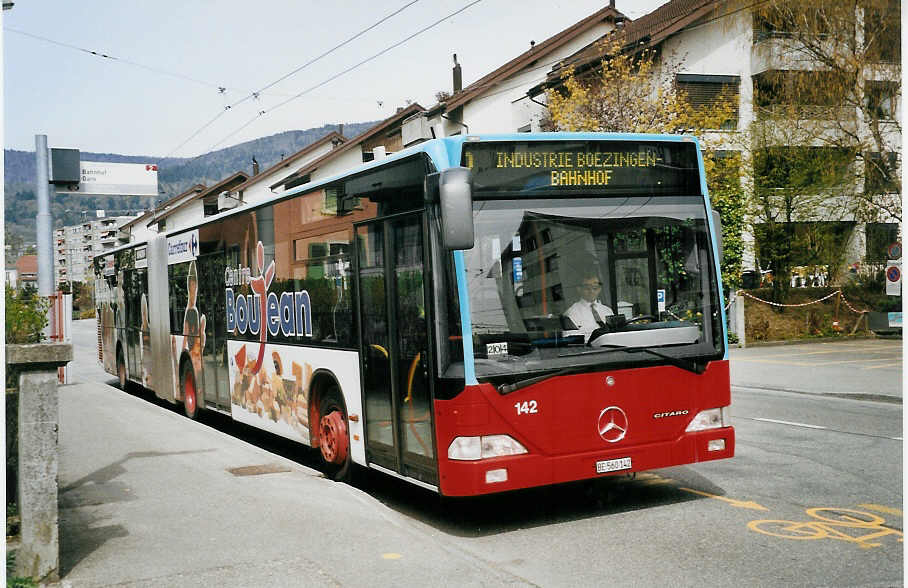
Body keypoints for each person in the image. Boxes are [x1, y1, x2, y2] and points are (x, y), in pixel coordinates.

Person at [563, 272, 614, 342]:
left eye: (595, 288)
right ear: (579, 289)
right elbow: (570, 340)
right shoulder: (571, 313)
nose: (591, 291)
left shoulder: (607, 311)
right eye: (587, 288)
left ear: (600, 289)